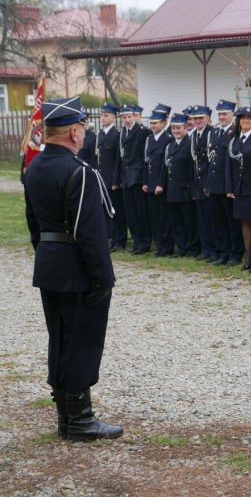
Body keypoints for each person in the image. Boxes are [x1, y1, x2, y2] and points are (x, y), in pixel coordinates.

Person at [24, 96, 122, 442]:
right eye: (82, 128)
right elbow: (90, 232)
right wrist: (103, 277)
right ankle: (80, 420)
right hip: (77, 268)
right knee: (82, 341)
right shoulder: (79, 172)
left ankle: (66, 416)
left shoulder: (33, 167)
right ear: (74, 134)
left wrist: (47, 253)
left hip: (50, 263)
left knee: (60, 339)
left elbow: (33, 223)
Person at [226, 106, 251, 272]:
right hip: (239, 188)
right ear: (239, 121)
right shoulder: (234, 140)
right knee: (244, 223)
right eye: (243, 119)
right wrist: (229, 188)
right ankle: (248, 255)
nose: (246, 121)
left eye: (249, 118)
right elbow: (228, 166)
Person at [206, 99, 242, 266]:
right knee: (218, 221)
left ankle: (235, 253)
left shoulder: (236, 133)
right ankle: (223, 251)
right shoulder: (213, 133)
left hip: (227, 185)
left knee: (231, 221)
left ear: (232, 115)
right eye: (219, 114)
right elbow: (209, 160)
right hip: (214, 184)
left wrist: (231, 186)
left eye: (224, 114)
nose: (221, 117)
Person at [118, 104, 152, 255]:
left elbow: (144, 158)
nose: (127, 120)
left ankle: (144, 242)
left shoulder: (142, 131)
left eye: (129, 117)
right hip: (126, 178)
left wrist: (144, 179)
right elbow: (122, 158)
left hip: (137, 177)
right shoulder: (122, 133)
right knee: (130, 213)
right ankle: (137, 241)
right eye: (124, 117)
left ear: (135, 116)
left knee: (140, 212)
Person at [164, 113, 199, 257]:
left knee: (189, 222)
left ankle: (192, 248)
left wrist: (193, 190)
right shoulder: (170, 145)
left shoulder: (189, 143)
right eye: (173, 128)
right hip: (172, 190)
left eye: (178, 128)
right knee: (176, 221)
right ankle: (182, 247)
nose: (176, 131)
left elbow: (192, 170)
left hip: (185, 190)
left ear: (185, 128)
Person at [143, 108, 174, 257]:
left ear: (163, 123)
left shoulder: (168, 139)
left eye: (155, 123)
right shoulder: (149, 139)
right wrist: (145, 181)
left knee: (164, 218)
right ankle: (159, 246)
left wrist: (161, 184)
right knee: (154, 217)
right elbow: (146, 161)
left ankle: (167, 246)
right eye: (151, 123)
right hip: (150, 183)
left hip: (161, 185)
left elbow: (165, 164)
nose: (153, 126)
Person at [97, 102, 126, 252]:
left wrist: (116, 180)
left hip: (112, 180)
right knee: (105, 211)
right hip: (102, 179)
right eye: (102, 115)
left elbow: (118, 160)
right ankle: (109, 238)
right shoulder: (101, 134)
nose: (103, 118)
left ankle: (119, 240)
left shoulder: (116, 134)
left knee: (116, 211)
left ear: (113, 117)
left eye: (106, 115)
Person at [189, 105, 214, 261]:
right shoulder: (194, 135)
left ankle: (213, 249)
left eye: (201, 118)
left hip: (208, 181)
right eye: (195, 118)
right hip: (198, 183)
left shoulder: (211, 133)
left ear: (208, 119)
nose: (198, 121)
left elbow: (210, 161)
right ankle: (206, 249)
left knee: (211, 219)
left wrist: (207, 184)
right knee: (202, 219)